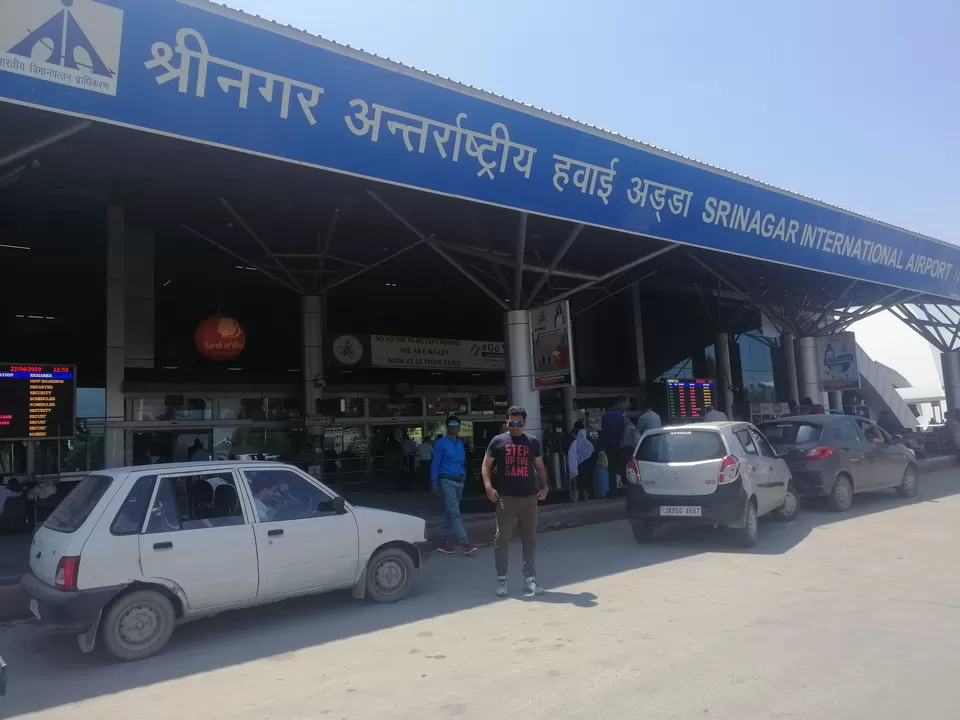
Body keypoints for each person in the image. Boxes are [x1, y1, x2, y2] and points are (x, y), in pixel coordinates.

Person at [482, 406, 550, 597]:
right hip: (505, 498)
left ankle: (530, 580)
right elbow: (486, 465)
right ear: (506, 421)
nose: (515, 426)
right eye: (511, 422)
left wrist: (545, 487)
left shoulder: (532, 442)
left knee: (529, 539)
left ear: (525, 423)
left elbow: (539, 466)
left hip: (529, 497)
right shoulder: (498, 441)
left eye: (519, 423)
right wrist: (488, 487)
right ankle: (501, 580)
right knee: (502, 539)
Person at [431, 416, 476, 555]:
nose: (453, 426)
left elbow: (462, 463)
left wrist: (464, 475)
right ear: (447, 426)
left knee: (450, 513)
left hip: (459, 481)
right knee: (455, 513)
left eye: (456, 424)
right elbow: (435, 464)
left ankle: (444, 542)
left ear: (459, 426)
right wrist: (433, 483)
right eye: (450, 424)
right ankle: (465, 543)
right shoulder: (441, 443)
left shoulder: (460, 443)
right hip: (446, 481)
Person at [567, 426, 595, 502]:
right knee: (586, 486)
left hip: (578, 468)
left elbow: (571, 457)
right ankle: (586, 500)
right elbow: (592, 455)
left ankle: (575, 500)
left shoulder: (574, 443)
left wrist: (572, 469)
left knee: (577, 486)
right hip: (587, 468)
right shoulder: (589, 444)